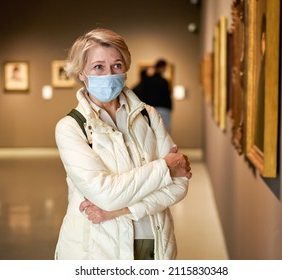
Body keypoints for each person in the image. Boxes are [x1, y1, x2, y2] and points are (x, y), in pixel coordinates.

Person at [54, 28, 192, 260]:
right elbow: (106, 195)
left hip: (155, 244)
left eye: (117, 65)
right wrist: (165, 168)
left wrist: (121, 210)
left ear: (126, 68)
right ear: (81, 73)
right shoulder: (70, 128)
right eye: (98, 67)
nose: (109, 74)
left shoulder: (148, 116)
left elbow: (179, 186)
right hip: (98, 250)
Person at [133, 59, 173, 132]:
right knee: (165, 131)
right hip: (163, 108)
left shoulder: (148, 80)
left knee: (151, 131)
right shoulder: (163, 81)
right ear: (162, 67)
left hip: (150, 108)